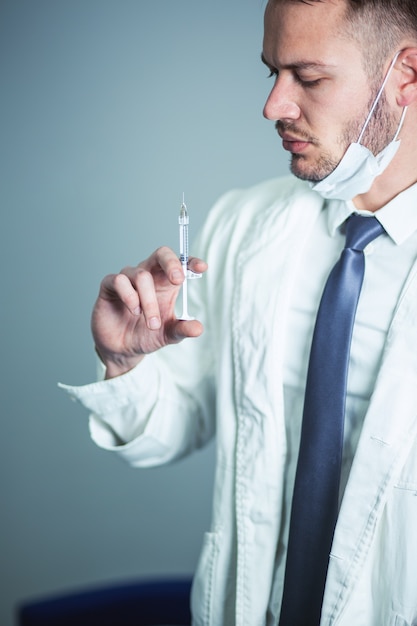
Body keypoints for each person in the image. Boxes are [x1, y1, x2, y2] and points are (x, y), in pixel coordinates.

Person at [60, 0, 417, 624]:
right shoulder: (246, 226)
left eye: (308, 78)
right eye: (271, 73)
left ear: (406, 73)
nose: (273, 106)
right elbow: (180, 423)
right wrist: (124, 363)